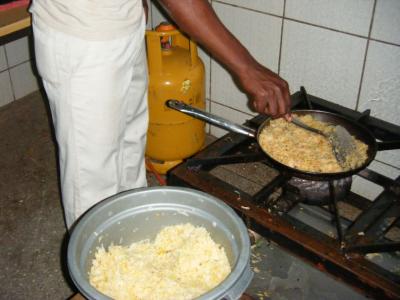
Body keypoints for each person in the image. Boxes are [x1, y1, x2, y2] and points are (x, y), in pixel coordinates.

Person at [29, 0, 291, 230]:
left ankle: (132, 230)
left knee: (131, 145)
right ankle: (97, 266)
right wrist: (247, 67)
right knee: (92, 171)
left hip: (123, 25)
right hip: (81, 37)